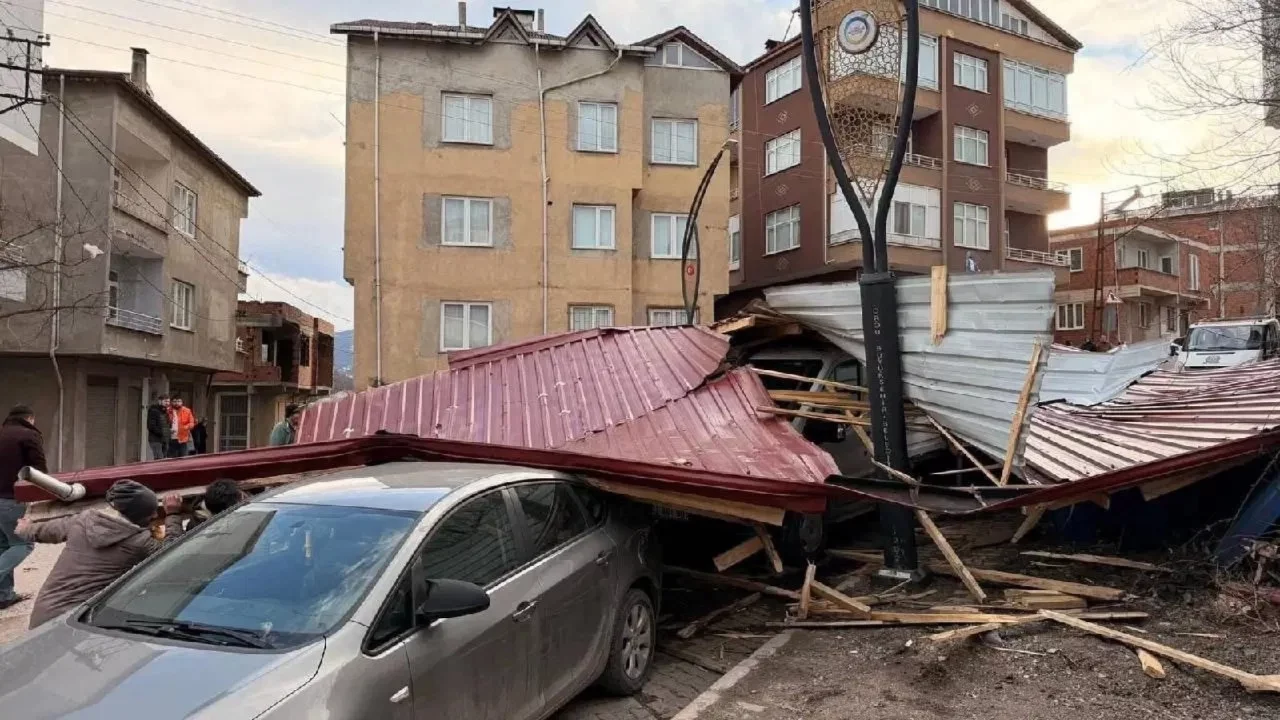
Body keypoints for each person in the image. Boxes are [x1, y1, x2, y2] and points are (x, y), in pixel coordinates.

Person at [16, 479, 184, 629]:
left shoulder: (84, 520)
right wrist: (173, 515)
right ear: (139, 514)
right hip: (75, 620)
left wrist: (26, 528)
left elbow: (45, 531)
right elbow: (172, 555)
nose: (155, 514)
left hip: (43, 613)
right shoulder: (138, 542)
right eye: (152, 511)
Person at [0, 405, 44, 610]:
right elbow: (39, 470)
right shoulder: (28, 435)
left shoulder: (2, 432)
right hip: (12, 498)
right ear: (30, 418)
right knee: (22, 544)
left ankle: (4, 596)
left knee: (4, 547)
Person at [146, 395, 170, 461]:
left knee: (164, 460)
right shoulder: (154, 411)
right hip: (156, 439)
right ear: (159, 401)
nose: (167, 403)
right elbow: (151, 426)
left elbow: (167, 425)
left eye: (168, 401)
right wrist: (161, 433)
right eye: (165, 401)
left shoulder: (166, 412)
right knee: (159, 459)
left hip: (165, 439)